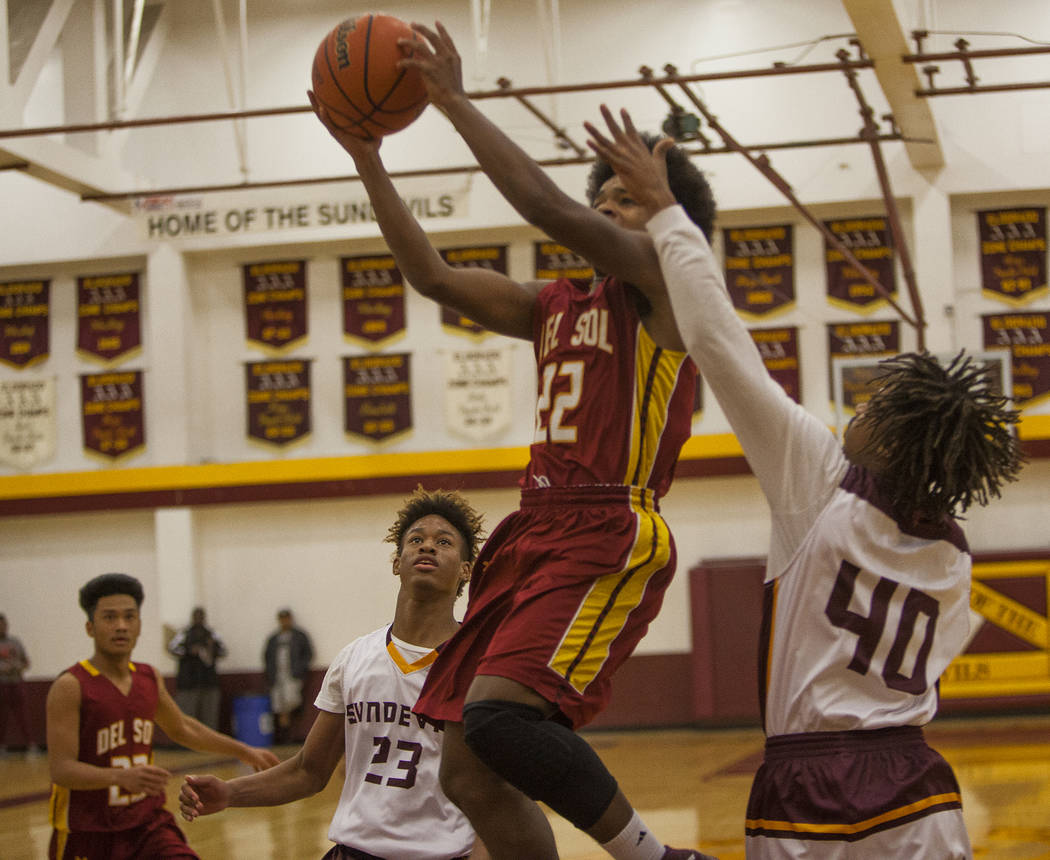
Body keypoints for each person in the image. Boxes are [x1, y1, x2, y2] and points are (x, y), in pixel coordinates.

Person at [310, 21, 717, 860]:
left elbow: (546, 207)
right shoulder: (555, 304)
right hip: (532, 529)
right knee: (465, 768)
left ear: (667, 225)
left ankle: (655, 857)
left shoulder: (663, 290)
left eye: (626, 201)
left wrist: (453, 101)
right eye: (603, 199)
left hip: (609, 527)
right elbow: (429, 275)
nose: (605, 211)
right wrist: (367, 158)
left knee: (498, 713)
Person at [584, 106, 1026, 859]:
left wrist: (667, 213)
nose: (859, 405)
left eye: (875, 404)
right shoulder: (952, 553)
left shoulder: (824, 480)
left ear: (890, 439)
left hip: (810, 785)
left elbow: (720, 342)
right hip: (921, 786)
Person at [178, 487, 489, 860]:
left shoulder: (479, 666)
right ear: (396, 561)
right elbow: (309, 771)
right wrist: (230, 793)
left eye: (444, 542)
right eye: (416, 540)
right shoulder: (355, 657)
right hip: (354, 852)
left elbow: (496, 790)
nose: (428, 547)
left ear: (466, 569)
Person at [45, 572, 279, 860]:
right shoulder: (71, 686)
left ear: (140, 625)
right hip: (88, 833)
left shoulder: (147, 677)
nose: (121, 625)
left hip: (148, 826)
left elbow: (182, 728)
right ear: (90, 627)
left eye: (129, 617)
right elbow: (62, 770)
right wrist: (121, 777)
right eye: (109, 617)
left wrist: (243, 750)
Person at [167, 607, 227, 731]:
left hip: (209, 681)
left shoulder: (211, 633)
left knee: (209, 715)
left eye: (201, 616)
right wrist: (188, 651)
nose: (198, 619)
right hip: (188, 681)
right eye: (196, 616)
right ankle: (186, 743)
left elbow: (223, 651)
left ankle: (210, 741)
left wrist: (211, 650)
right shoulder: (184, 633)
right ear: (192, 618)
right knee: (187, 715)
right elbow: (171, 648)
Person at [263, 608, 314, 743]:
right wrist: (270, 673)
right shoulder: (273, 639)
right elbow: (266, 657)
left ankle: (292, 732)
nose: (284, 621)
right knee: (279, 705)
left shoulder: (299, 636)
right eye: (282, 619)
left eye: (287, 618)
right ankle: (285, 735)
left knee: (292, 702)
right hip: (277, 676)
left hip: (293, 675)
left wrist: (300, 670)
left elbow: (308, 654)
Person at [0, 612, 38, 755]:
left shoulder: (15, 642)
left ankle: (30, 745)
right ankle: (1, 746)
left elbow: (26, 661)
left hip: (17, 682)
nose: (2, 628)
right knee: (2, 716)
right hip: (1, 684)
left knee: (22, 715)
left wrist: (18, 667)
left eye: (4, 624)